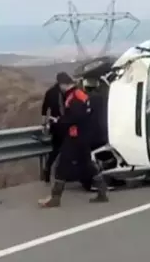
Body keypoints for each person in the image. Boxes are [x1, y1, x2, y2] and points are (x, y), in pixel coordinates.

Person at [38, 72, 109, 208]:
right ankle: (102, 192)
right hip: (83, 136)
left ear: (62, 84)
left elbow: (75, 118)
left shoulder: (74, 96)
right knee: (87, 164)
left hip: (76, 136)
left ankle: (55, 198)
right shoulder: (80, 94)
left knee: (61, 166)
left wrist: (58, 121)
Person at [40, 76, 66, 183]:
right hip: (64, 124)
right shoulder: (65, 93)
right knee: (66, 148)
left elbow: (44, 109)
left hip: (54, 125)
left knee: (55, 149)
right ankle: (61, 174)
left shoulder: (49, 92)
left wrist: (44, 124)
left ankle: (48, 169)